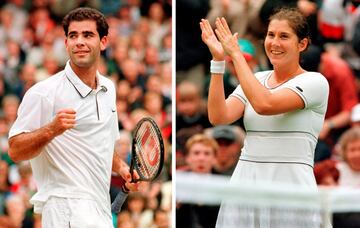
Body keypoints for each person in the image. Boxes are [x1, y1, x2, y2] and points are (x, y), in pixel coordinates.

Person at [7, 7, 139, 227]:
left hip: (100, 206)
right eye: (73, 35)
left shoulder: (109, 87)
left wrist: (122, 168)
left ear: (103, 42)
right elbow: (15, 150)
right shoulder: (44, 92)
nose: (79, 41)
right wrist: (52, 129)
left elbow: (103, 143)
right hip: (63, 207)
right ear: (66, 43)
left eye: (87, 35)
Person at [200, 7, 329, 227]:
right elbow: (219, 116)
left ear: (302, 44)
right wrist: (219, 62)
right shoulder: (256, 79)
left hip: (291, 185)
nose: (274, 43)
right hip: (245, 183)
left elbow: (264, 104)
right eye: (271, 35)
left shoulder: (316, 82)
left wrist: (236, 56)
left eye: (284, 36)